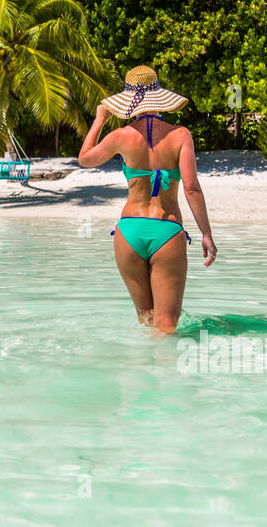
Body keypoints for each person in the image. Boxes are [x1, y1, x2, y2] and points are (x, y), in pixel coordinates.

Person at [77, 66, 217, 331]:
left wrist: (100, 119)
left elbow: (84, 159)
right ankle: (167, 370)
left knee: (146, 319)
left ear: (129, 100)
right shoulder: (180, 135)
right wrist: (206, 234)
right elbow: (192, 189)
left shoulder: (120, 136)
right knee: (166, 325)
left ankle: (142, 370)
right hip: (166, 230)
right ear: (159, 97)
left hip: (128, 232)